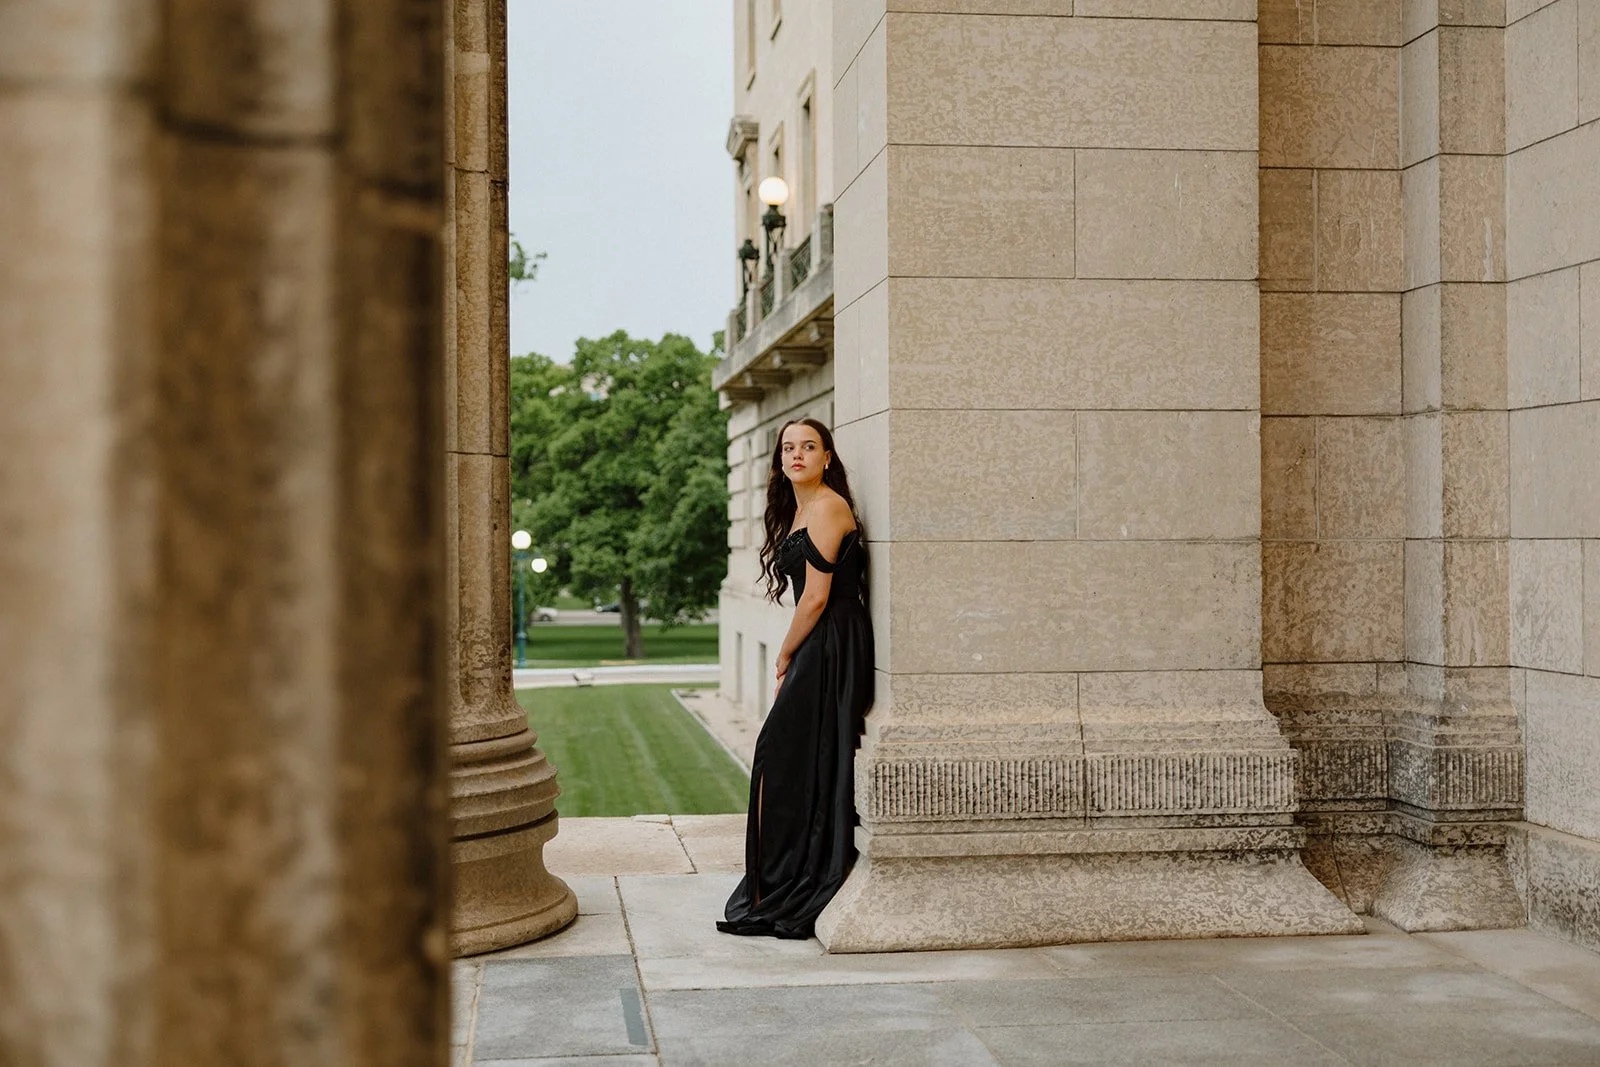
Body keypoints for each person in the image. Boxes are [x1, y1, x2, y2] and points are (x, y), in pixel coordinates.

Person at [717, 417, 873, 939]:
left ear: (828, 456)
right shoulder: (799, 508)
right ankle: (776, 877)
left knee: (774, 750)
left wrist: (784, 655)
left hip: (831, 640)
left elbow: (816, 598)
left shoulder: (829, 506)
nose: (797, 454)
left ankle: (788, 879)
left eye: (809, 446)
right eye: (789, 448)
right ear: (780, 460)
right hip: (820, 638)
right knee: (786, 754)